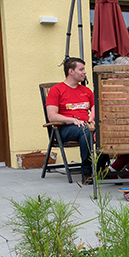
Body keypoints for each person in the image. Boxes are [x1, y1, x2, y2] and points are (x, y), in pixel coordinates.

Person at [45, 57, 96, 185]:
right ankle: (87, 172)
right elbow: (52, 116)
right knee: (85, 131)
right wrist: (72, 120)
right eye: (81, 69)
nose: (85, 72)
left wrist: (92, 118)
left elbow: (95, 107)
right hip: (65, 128)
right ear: (71, 71)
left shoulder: (86, 91)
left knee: (106, 130)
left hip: (86, 125)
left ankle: (103, 168)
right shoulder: (56, 90)